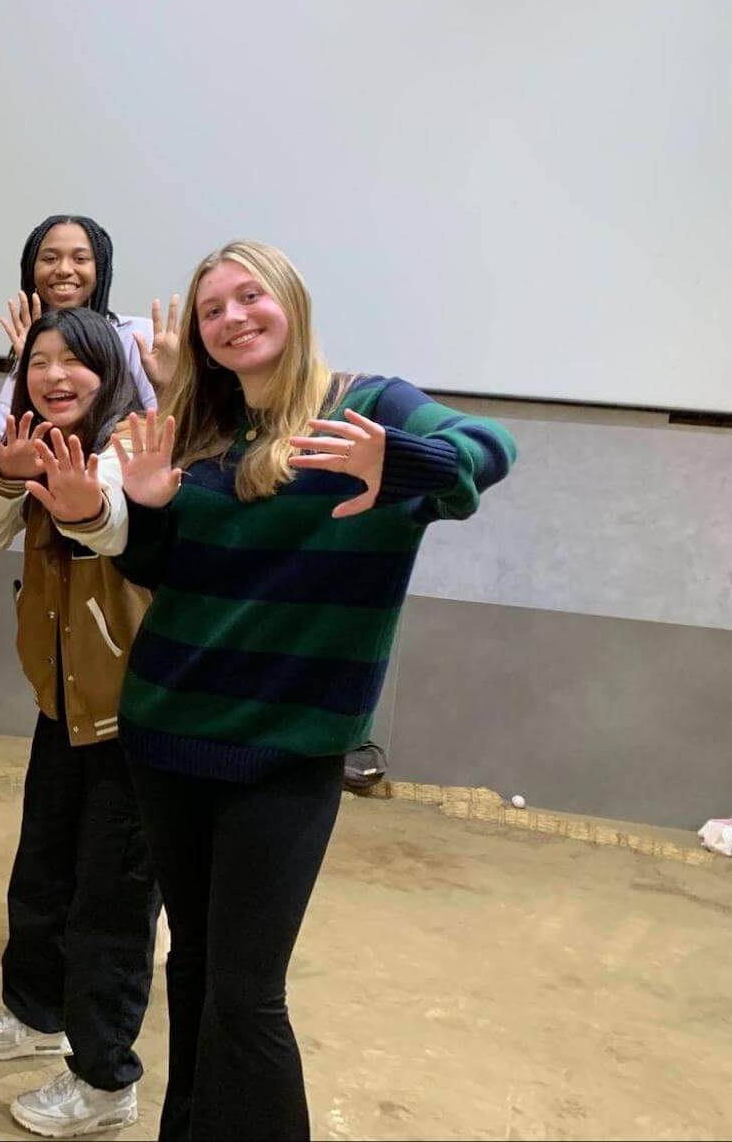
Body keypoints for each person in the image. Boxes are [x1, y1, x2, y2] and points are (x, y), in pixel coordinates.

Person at [110, 240, 516, 1140]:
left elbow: (489, 448)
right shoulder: (207, 429)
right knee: (196, 973)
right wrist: (145, 506)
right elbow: (171, 573)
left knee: (248, 996)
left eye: (249, 296)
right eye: (213, 308)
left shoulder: (367, 405)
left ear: (290, 302)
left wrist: (397, 466)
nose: (231, 317)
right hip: (168, 731)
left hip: (287, 751)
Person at [0, 308, 160, 1138]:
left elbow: (116, 526)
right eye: (40, 360)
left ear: (109, 369)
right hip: (60, 707)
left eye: (76, 360)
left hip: (134, 720)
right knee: (40, 873)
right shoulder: (28, 444)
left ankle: (106, 1080)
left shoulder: (132, 447)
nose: (56, 374)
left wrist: (81, 505)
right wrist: (6, 476)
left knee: (111, 901)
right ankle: (36, 1012)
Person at [0, 214, 178, 439]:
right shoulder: (29, 347)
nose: (63, 269)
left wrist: (174, 384)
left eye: (80, 259)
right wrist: (30, 368)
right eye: (50, 259)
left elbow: (165, 431)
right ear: (31, 269)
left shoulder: (137, 337)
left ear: (100, 269)